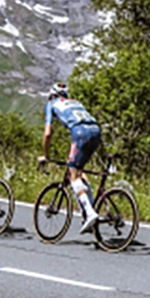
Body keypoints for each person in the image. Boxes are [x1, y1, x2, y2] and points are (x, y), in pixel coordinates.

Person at [38, 82, 102, 234]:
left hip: (79, 133)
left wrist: (45, 156)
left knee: (73, 175)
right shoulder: (76, 102)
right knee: (80, 171)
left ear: (52, 95)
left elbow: (48, 133)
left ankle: (90, 213)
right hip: (96, 131)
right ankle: (89, 209)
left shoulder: (52, 104)